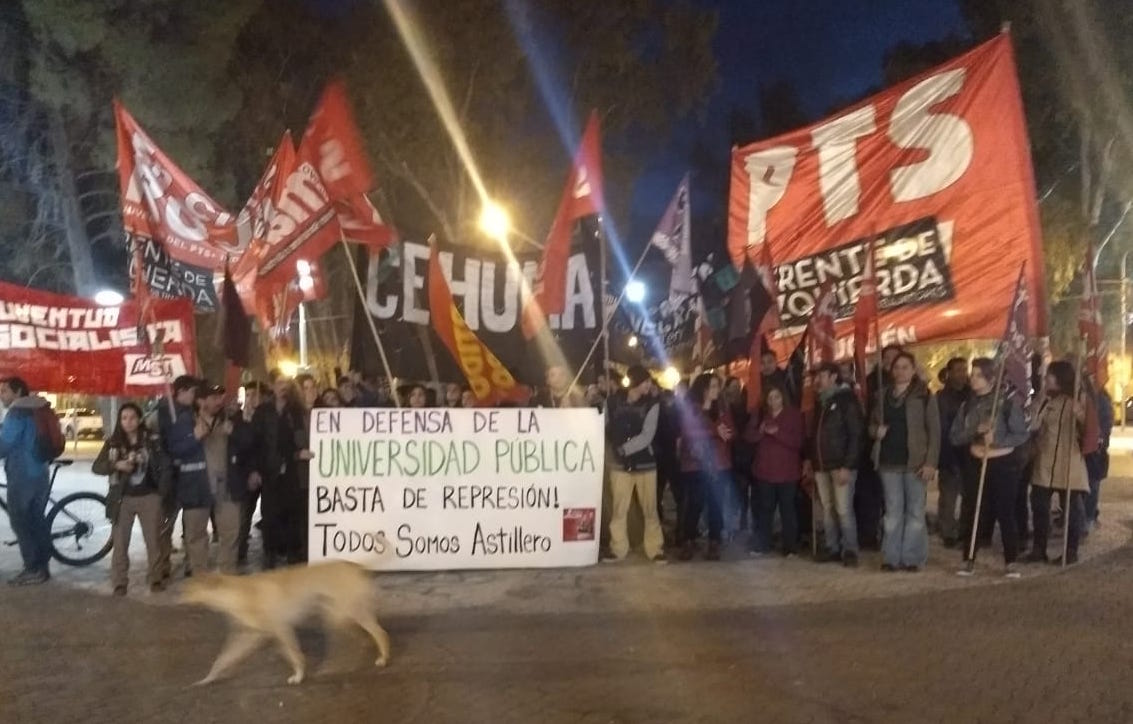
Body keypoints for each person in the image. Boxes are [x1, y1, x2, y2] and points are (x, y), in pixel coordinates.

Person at [950, 358, 1029, 578]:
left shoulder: (1006, 404)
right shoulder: (967, 406)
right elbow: (955, 436)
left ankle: (1011, 560)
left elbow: (1021, 434)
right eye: (972, 374)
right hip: (975, 462)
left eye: (978, 375)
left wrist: (997, 439)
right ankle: (969, 558)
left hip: (1002, 464)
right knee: (974, 509)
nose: (972, 379)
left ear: (991, 378)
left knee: (1005, 511)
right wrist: (976, 431)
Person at [870, 352, 939, 572]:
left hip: (915, 462)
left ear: (913, 369)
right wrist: (875, 432)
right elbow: (871, 424)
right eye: (897, 367)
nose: (900, 371)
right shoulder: (882, 396)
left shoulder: (924, 395)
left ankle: (911, 557)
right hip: (889, 461)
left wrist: (931, 462)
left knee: (915, 513)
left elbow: (934, 432)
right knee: (892, 513)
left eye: (905, 367)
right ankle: (891, 557)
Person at [93, 403, 170, 594]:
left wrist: (161, 491)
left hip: (149, 496)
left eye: (133, 417)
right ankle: (119, 581)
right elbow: (97, 467)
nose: (128, 422)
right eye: (124, 418)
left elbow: (165, 466)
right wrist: (117, 465)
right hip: (122, 497)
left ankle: (156, 578)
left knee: (154, 540)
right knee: (120, 542)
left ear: (140, 419)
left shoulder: (152, 440)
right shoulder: (113, 442)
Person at [1026, 360, 1096, 565]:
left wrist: (1080, 415)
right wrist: (1037, 406)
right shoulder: (1045, 399)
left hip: (1070, 461)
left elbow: (1090, 431)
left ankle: (1070, 551)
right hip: (1045, 460)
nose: (1046, 378)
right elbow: (1033, 426)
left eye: (1050, 375)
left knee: (1072, 510)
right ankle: (1039, 548)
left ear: (1060, 377)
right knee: (1038, 505)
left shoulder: (1079, 398)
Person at [606, 365, 666, 563]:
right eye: (646, 381)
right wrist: (612, 449)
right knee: (619, 508)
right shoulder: (613, 401)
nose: (649, 385)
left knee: (650, 508)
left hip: (644, 463)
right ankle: (618, 548)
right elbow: (605, 425)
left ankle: (655, 548)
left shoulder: (652, 404)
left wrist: (624, 449)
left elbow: (647, 435)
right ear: (636, 382)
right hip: (619, 465)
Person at [808, 363, 863, 567]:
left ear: (833, 377)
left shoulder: (847, 400)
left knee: (843, 509)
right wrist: (812, 461)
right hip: (822, 465)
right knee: (828, 508)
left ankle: (850, 549)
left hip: (840, 464)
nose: (817, 380)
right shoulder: (821, 402)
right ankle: (832, 547)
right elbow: (814, 434)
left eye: (821, 375)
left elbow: (856, 434)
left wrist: (848, 465)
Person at [0, 377, 53, 585]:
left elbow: (4, 444)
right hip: (40, 472)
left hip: (22, 475)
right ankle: (42, 567)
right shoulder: (37, 407)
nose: (1, 394)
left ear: (18, 391)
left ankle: (32, 568)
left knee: (21, 523)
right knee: (36, 521)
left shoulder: (17, 412)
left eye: (5, 391)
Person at [252, 377, 309, 568]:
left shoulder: (295, 412)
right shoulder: (263, 411)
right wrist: (255, 470)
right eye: (279, 385)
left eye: (286, 386)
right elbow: (256, 442)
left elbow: (299, 438)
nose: (283, 389)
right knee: (269, 514)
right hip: (269, 470)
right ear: (273, 387)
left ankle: (292, 553)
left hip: (291, 470)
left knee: (291, 513)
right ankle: (270, 553)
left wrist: (297, 453)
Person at [198, 385, 256, 574]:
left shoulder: (232, 420)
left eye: (220, 397)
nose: (218, 401)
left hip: (228, 487)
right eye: (213, 397)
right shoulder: (190, 420)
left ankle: (227, 577)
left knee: (230, 535)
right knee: (197, 537)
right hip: (200, 487)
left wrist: (234, 431)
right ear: (202, 400)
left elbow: (249, 443)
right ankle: (201, 579)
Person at [677, 373, 734, 561]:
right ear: (704, 389)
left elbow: (730, 432)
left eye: (718, 386)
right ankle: (688, 540)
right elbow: (689, 431)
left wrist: (721, 433)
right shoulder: (692, 409)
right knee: (695, 504)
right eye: (713, 386)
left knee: (715, 504)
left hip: (718, 463)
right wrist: (714, 431)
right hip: (695, 464)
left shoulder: (723, 409)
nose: (717, 390)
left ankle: (714, 542)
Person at [161, 376, 213, 577]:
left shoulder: (186, 413)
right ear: (181, 391)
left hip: (194, 484)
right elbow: (174, 448)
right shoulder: (172, 414)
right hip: (184, 483)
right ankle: (194, 572)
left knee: (195, 532)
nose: (194, 396)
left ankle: (196, 569)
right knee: (191, 533)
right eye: (191, 392)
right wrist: (195, 437)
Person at [746, 386, 804, 556]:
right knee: (765, 509)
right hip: (765, 471)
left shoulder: (793, 415)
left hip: (787, 471)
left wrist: (777, 432)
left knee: (788, 510)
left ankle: (790, 547)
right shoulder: (761, 415)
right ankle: (763, 544)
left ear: (783, 398)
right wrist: (761, 432)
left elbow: (798, 442)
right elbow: (748, 435)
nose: (773, 401)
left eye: (777, 397)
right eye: (770, 398)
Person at [935, 357, 971, 548]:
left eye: (965, 369)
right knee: (948, 497)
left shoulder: (972, 395)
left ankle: (966, 531)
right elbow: (940, 428)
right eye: (958, 370)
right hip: (949, 452)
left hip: (970, 453)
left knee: (969, 497)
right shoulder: (941, 397)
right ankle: (947, 532)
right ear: (949, 372)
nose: (962, 374)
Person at [237, 381, 269, 565]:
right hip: (248, 475)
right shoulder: (239, 419)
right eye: (248, 395)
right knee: (244, 515)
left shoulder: (268, 416)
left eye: (254, 395)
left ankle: (269, 550)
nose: (251, 398)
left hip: (268, 473)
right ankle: (240, 551)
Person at [1085, 376, 1113, 530]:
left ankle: (1089, 517)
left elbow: (1103, 427)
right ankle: (1087, 515)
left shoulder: (1100, 401)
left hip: (1095, 449)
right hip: (1089, 447)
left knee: (1091, 483)